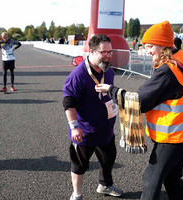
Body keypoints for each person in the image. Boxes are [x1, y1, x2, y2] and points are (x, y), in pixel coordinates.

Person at [95, 21, 183, 200]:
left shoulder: (167, 70)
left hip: (174, 136)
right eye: (146, 46)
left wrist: (111, 90)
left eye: (151, 46)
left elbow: (139, 102)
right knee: (172, 178)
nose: (147, 51)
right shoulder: (180, 57)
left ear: (164, 46)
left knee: (151, 180)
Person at [63, 34, 123, 200]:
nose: (108, 56)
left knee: (108, 160)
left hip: (105, 129)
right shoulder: (78, 75)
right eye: (104, 52)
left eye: (110, 52)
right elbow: (68, 102)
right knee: (79, 165)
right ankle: (76, 194)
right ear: (92, 51)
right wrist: (74, 127)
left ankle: (104, 185)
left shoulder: (108, 70)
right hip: (85, 132)